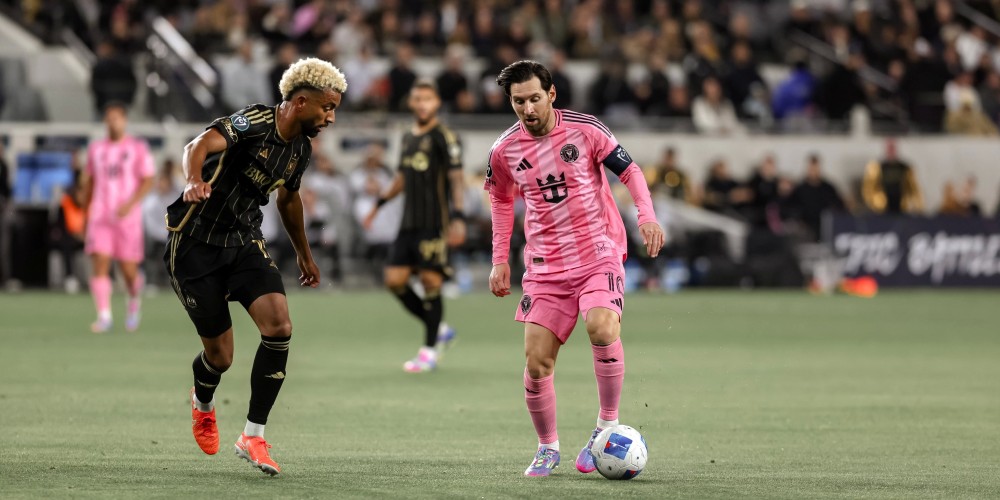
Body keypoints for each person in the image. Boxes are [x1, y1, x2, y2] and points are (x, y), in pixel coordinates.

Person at [164, 58, 346, 476]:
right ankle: (203, 403)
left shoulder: (301, 149)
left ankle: (253, 435)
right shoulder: (254, 122)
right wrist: (193, 179)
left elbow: (288, 198)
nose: (331, 118)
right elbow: (197, 146)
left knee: (279, 325)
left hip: (244, 242)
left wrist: (304, 254)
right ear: (301, 102)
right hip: (195, 246)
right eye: (327, 108)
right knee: (221, 357)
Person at [485, 60, 664, 477]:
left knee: (601, 326)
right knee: (536, 362)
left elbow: (630, 171)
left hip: (597, 251)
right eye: (518, 101)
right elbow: (500, 200)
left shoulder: (586, 129)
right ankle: (547, 448)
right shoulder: (503, 150)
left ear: (551, 94)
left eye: (534, 98)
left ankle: (606, 426)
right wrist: (499, 259)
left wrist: (647, 216)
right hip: (545, 265)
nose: (527, 109)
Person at [364, 79, 465, 373]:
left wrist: (459, 216)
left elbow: (457, 178)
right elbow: (402, 178)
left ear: (437, 103)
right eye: (417, 99)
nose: (422, 104)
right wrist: (379, 204)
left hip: (434, 223)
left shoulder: (444, 136)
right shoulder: (407, 136)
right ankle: (440, 329)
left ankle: (429, 351)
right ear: (411, 103)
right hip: (408, 223)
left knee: (431, 282)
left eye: (427, 99)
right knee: (394, 280)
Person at [81, 102, 155, 333]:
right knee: (100, 262)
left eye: (117, 118)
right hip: (101, 215)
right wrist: (85, 209)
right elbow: (90, 181)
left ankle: (133, 302)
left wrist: (130, 204)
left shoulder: (137, 148)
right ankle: (104, 316)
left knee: (128, 271)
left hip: (127, 219)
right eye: (109, 118)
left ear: (124, 121)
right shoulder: (96, 149)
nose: (113, 123)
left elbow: (148, 179)